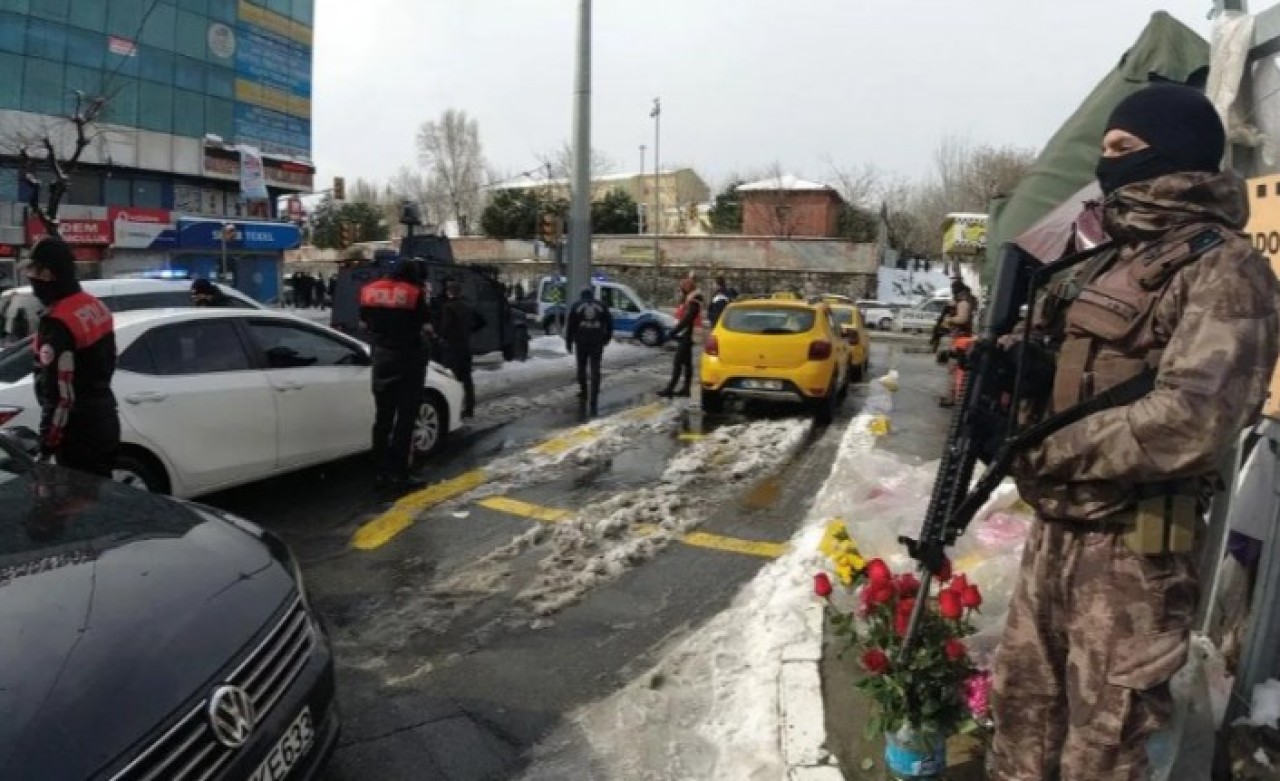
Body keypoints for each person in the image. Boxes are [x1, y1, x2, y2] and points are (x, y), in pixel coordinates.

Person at [990, 83, 1280, 780]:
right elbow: (1071, 358)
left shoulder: (1225, 268)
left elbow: (1193, 418)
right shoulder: (1103, 259)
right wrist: (1014, 373)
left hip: (1131, 554)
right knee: (1021, 710)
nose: (1107, 162)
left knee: (1103, 744)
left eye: (1123, 149)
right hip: (1059, 527)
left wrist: (1050, 445)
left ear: (1173, 153)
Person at [26, 237, 119, 478]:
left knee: (74, 507)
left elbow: (60, 396)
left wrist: (47, 445)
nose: (31, 278)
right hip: (105, 418)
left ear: (47, 275)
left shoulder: (58, 322)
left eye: (33, 271)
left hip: (77, 434)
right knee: (100, 496)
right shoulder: (94, 305)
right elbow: (109, 361)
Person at [359, 261, 432, 489]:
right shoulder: (414, 293)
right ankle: (399, 472)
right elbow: (426, 324)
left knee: (383, 419)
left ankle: (379, 470)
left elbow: (364, 323)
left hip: (381, 359)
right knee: (406, 419)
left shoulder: (369, 290)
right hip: (408, 359)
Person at [437, 280, 484, 419]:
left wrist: (439, 336)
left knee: (453, 379)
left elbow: (445, 328)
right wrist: (469, 331)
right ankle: (469, 408)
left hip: (452, 347)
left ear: (449, 292)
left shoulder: (448, 307)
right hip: (465, 346)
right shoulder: (467, 306)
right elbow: (481, 322)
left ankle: (455, 410)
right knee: (467, 379)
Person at [565, 286, 613, 417]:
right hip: (597, 341)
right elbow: (609, 323)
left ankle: (584, 391)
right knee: (595, 368)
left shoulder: (576, 306)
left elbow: (570, 326)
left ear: (582, 296)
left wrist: (568, 342)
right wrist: (607, 338)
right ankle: (594, 395)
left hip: (581, 342)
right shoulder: (602, 306)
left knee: (581, 367)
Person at [659, 277, 704, 398]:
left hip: (687, 335)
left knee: (678, 362)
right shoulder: (690, 298)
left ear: (687, 287)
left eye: (682, 287)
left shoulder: (694, 300)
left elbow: (687, 318)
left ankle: (670, 388)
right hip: (685, 334)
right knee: (687, 363)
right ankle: (685, 389)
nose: (681, 289)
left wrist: (674, 331)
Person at [938, 280, 976, 407]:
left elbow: (962, 318)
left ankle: (953, 398)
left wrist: (950, 319)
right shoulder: (965, 300)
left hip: (961, 339)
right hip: (961, 338)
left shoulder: (963, 302)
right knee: (955, 369)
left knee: (954, 369)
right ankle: (953, 396)